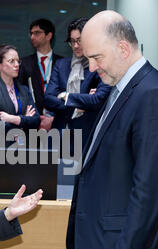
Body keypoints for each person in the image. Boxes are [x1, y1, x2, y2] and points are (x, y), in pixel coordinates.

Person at [66, 11, 158, 249]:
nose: (93, 67)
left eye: (97, 58)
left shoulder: (152, 96)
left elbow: (149, 191)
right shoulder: (122, 87)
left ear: (123, 48)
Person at [44, 17, 111, 153]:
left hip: (86, 136)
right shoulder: (61, 65)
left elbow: (97, 100)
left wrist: (65, 96)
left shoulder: (100, 67)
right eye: (72, 41)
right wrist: (78, 105)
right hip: (59, 134)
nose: (75, 46)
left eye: (79, 40)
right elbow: (48, 98)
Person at [0, 44, 40, 147]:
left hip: (22, 149)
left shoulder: (24, 90)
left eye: (18, 61)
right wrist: (24, 121)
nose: (17, 64)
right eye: (11, 61)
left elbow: (36, 120)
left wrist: (13, 119)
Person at [18, 19, 63, 130]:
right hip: (32, 123)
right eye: (31, 33)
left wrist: (54, 119)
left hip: (58, 122)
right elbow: (19, 93)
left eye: (37, 33)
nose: (32, 37)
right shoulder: (23, 64)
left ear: (49, 36)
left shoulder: (63, 63)